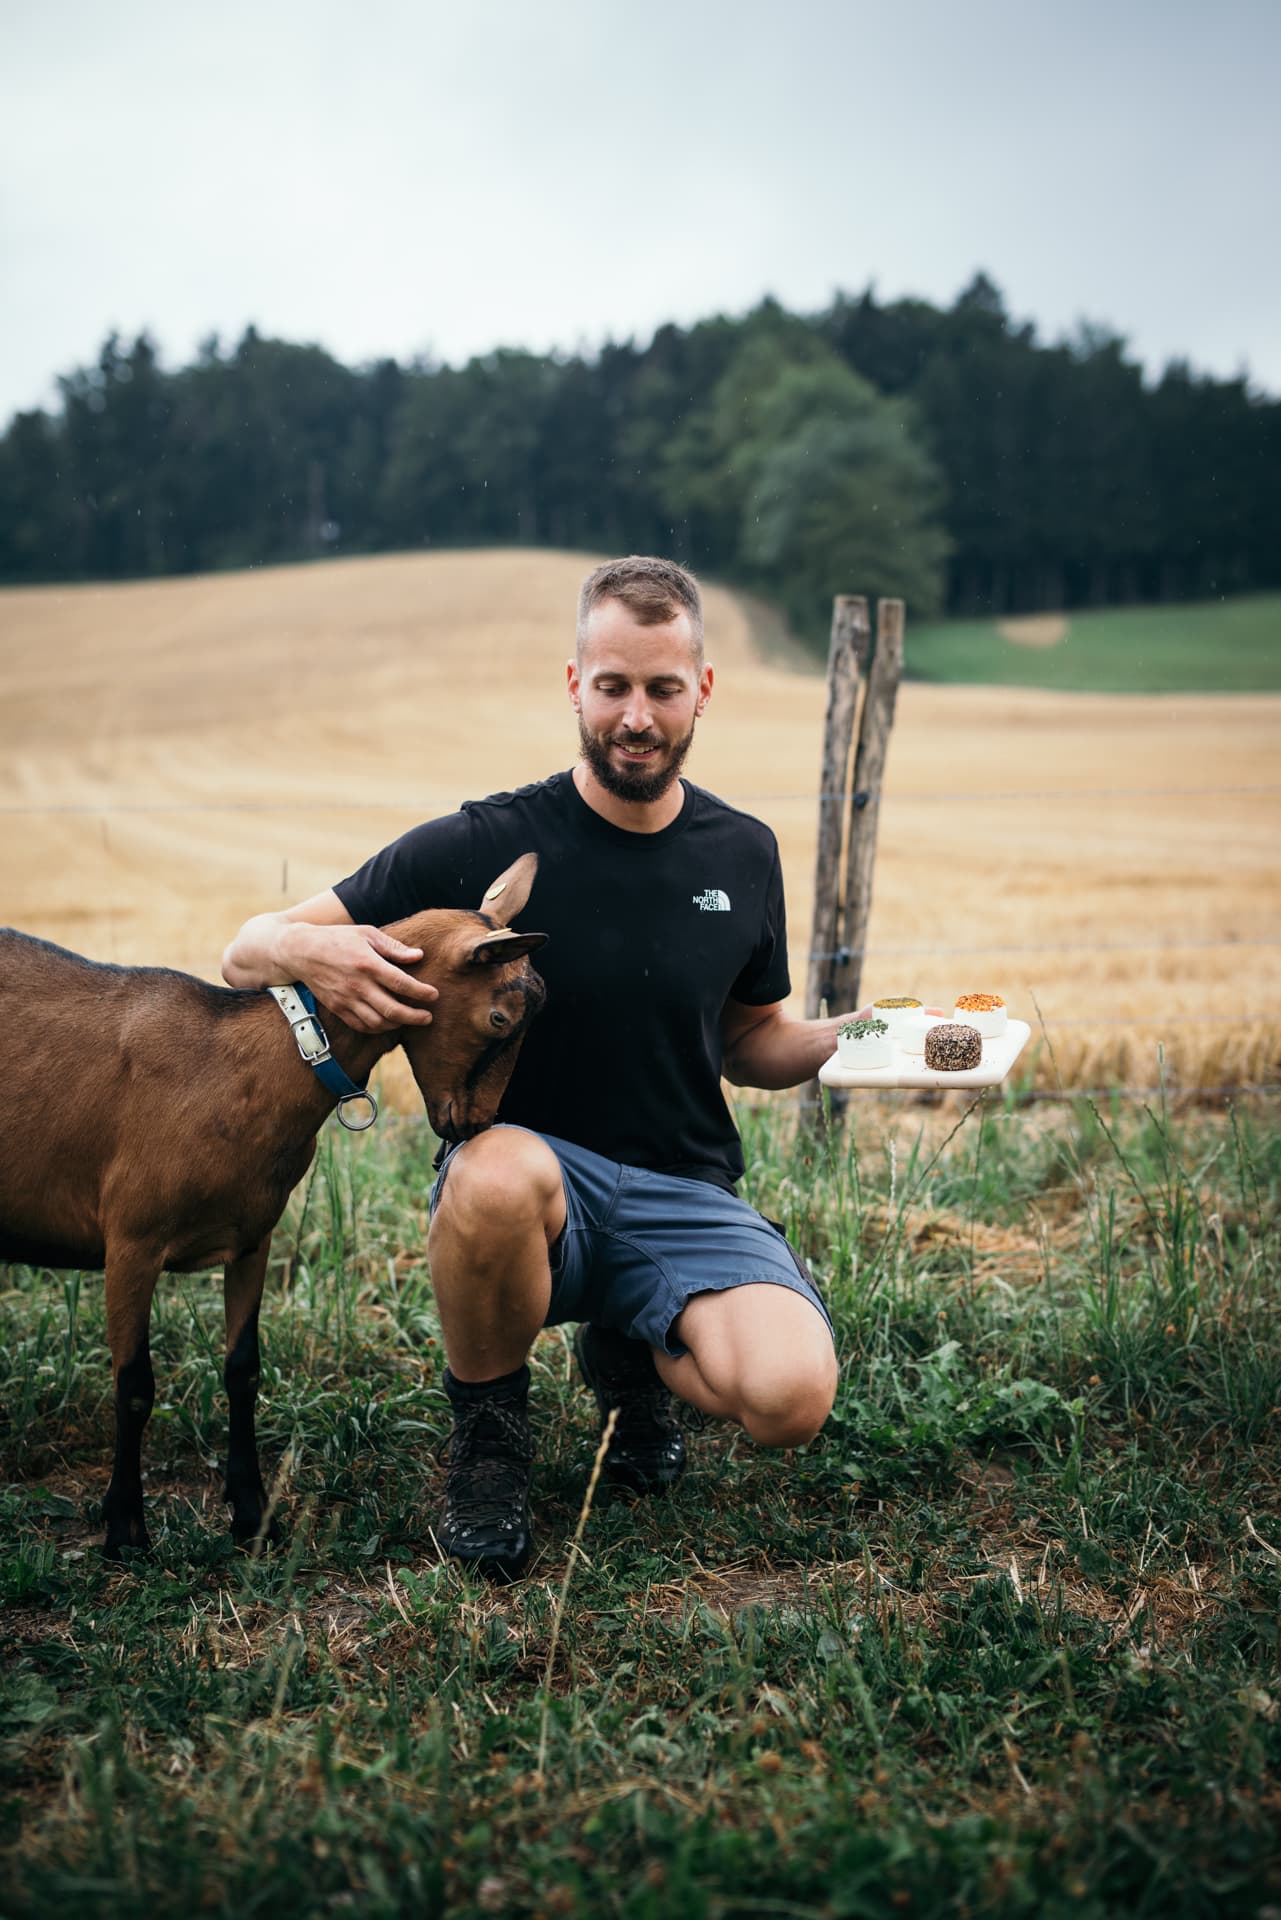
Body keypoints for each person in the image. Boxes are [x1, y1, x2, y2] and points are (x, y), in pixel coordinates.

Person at [222, 556, 854, 1579]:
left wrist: (852, 1040)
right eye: (612, 686)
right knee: (496, 1170)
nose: (636, 717)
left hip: (684, 1192)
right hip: (529, 1192)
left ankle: (626, 1347)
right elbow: (243, 948)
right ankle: (489, 1441)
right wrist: (309, 950)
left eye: (660, 687)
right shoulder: (486, 842)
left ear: (703, 689)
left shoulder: (742, 851)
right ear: (575, 686)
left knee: (790, 1401)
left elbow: (750, 1040)